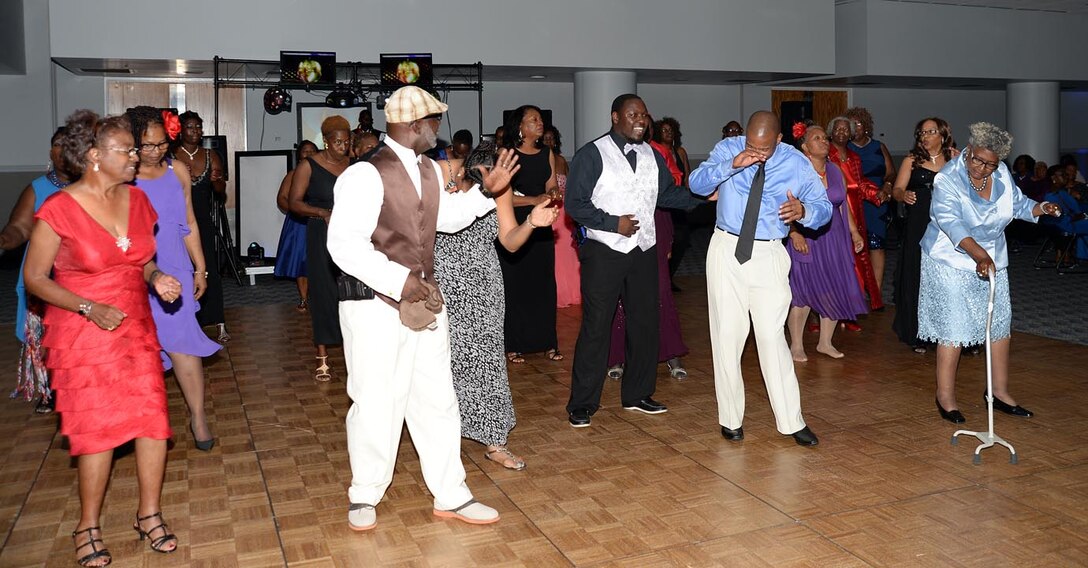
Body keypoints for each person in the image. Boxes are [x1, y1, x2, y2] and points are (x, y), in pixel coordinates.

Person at [327, 86, 501, 530]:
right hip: (373, 307)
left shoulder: (427, 169)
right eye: (434, 122)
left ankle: (452, 494)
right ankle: (365, 494)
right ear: (412, 126)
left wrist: (486, 194)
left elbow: (442, 220)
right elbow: (343, 246)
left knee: (437, 399)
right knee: (376, 401)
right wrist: (399, 279)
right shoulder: (365, 175)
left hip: (422, 305)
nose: (439, 129)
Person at [24, 110, 184, 566]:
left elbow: (140, 261)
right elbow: (35, 278)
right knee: (97, 432)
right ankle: (87, 525)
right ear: (95, 156)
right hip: (83, 332)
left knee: (152, 420)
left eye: (136, 150)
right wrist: (87, 307)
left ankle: (149, 513)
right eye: (127, 150)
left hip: (134, 325)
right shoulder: (58, 209)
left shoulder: (138, 201)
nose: (137, 157)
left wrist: (156, 278)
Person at [689, 110, 831, 447]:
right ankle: (730, 419)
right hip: (726, 248)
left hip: (769, 252)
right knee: (727, 336)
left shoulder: (796, 163)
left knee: (771, 337)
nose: (757, 152)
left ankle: (791, 421)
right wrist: (732, 165)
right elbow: (696, 184)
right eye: (753, 144)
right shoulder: (729, 148)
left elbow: (822, 206)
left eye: (764, 148)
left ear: (778, 140)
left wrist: (804, 212)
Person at [564, 94, 699, 428]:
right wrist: (614, 223)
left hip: (643, 250)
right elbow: (575, 204)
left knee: (644, 323)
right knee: (597, 326)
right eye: (632, 114)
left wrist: (704, 196)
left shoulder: (653, 154)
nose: (640, 119)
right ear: (615, 117)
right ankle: (582, 403)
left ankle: (637, 394)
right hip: (605, 251)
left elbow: (665, 195)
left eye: (644, 114)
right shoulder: (592, 154)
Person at [918, 122, 1061, 424]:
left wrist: (1041, 208)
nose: (982, 169)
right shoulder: (948, 179)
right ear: (968, 150)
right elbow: (950, 222)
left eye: (991, 164)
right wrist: (979, 255)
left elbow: (1018, 204)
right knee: (954, 326)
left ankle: (998, 392)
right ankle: (945, 396)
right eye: (977, 160)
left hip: (993, 257)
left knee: (998, 326)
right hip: (951, 258)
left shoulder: (1002, 174)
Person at [434, 143, 559, 471]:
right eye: (502, 169)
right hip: (441, 285)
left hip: (484, 287)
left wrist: (531, 221)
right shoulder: (444, 177)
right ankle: (441, 434)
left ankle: (494, 441)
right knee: (440, 360)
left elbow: (509, 241)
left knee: (487, 363)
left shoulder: (500, 191)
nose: (506, 178)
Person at [127, 106, 222, 451]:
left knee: (184, 344)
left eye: (161, 143)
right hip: (136, 269)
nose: (155, 151)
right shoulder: (124, 175)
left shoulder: (177, 170)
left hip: (177, 266)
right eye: (147, 146)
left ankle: (198, 416)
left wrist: (200, 268)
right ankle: (149, 419)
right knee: (142, 350)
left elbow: (190, 222)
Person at [605, 116, 690, 381]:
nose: (639, 126)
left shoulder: (655, 154)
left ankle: (669, 352)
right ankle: (618, 356)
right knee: (622, 295)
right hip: (623, 227)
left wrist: (670, 238)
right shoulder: (609, 154)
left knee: (661, 291)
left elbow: (668, 194)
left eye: (644, 123)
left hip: (657, 225)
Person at [785, 122, 868, 361]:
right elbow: (783, 205)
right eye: (817, 138)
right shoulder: (796, 173)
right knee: (802, 291)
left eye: (825, 138)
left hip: (834, 235)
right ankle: (797, 345)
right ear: (805, 147)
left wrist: (854, 232)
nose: (824, 141)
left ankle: (825, 342)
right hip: (806, 236)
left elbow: (843, 206)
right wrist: (794, 233)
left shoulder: (834, 171)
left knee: (833, 286)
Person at [3, 127, 69, 414]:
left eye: (70, 145)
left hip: (79, 273)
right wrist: (4, 239)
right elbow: (19, 227)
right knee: (42, 337)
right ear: (50, 151)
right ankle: (48, 389)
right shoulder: (38, 188)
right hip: (43, 272)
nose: (63, 151)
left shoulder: (94, 187)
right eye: (57, 145)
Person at [289, 117, 351, 381]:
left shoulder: (354, 165)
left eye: (347, 141)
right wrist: (322, 212)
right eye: (338, 141)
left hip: (350, 234)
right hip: (321, 232)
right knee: (323, 291)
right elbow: (294, 202)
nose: (343, 146)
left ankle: (353, 354)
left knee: (350, 293)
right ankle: (323, 357)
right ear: (325, 140)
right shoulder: (309, 165)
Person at [499, 105, 563, 363]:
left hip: (543, 225)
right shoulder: (508, 155)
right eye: (533, 119)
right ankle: (513, 344)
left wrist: (553, 193)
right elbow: (502, 197)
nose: (540, 123)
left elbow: (550, 184)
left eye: (540, 119)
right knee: (516, 286)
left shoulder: (547, 153)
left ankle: (548, 342)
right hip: (515, 226)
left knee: (544, 284)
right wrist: (533, 200)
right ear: (520, 127)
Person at [890, 117, 956, 354]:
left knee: (948, 278)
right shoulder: (912, 159)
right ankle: (920, 332)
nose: (925, 137)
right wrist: (903, 194)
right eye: (922, 133)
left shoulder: (955, 159)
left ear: (943, 134)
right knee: (919, 275)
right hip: (919, 223)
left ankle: (952, 331)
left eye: (931, 132)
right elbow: (896, 190)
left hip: (948, 225)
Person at [172, 111, 230, 342]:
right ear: (181, 130)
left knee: (210, 272)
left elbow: (220, 191)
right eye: (190, 127)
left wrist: (218, 181)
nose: (195, 131)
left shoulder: (210, 155)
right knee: (182, 271)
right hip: (177, 222)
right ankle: (188, 322)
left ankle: (219, 322)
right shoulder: (171, 156)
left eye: (198, 127)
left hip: (203, 222)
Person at [827, 116, 883, 315]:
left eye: (845, 129)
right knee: (835, 262)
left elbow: (859, 185)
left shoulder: (854, 157)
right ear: (831, 132)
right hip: (835, 211)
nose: (841, 132)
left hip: (855, 213)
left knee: (856, 262)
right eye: (837, 129)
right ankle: (827, 310)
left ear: (850, 134)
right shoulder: (827, 154)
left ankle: (850, 309)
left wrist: (876, 194)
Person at [845, 107, 896, 299]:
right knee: (853, 245)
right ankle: (853, 292)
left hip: (876, 201)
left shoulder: (878, 146)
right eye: (850, 123)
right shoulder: (843, 147)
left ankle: (875, 292)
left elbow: (890, 172)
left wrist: (888, 186)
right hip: (851, 201)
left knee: (877, 245)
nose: (854, 127)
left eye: (857, 123)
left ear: (866, 126)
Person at [274, 140, 318, 311]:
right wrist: (296, 211)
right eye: (305, 151)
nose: (309, 154)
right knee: (301, 262)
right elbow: (282, 198)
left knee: (322, 261)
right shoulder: (293, 174)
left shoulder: (325, 172)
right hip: (299, 223)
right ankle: (303, 298)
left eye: (312, 151)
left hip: (321, 221)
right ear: (299, 155)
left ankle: (323, 296)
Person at [543, 125, 581, 308]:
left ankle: (574, 290)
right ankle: (559, 292)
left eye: (552, 138)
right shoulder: (541, 160)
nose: (549, 141)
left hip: (565, 209)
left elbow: (571, 183)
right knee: (556, 252)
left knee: (570, 250)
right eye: (546, 138)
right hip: (550, 208)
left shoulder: (562, 160)